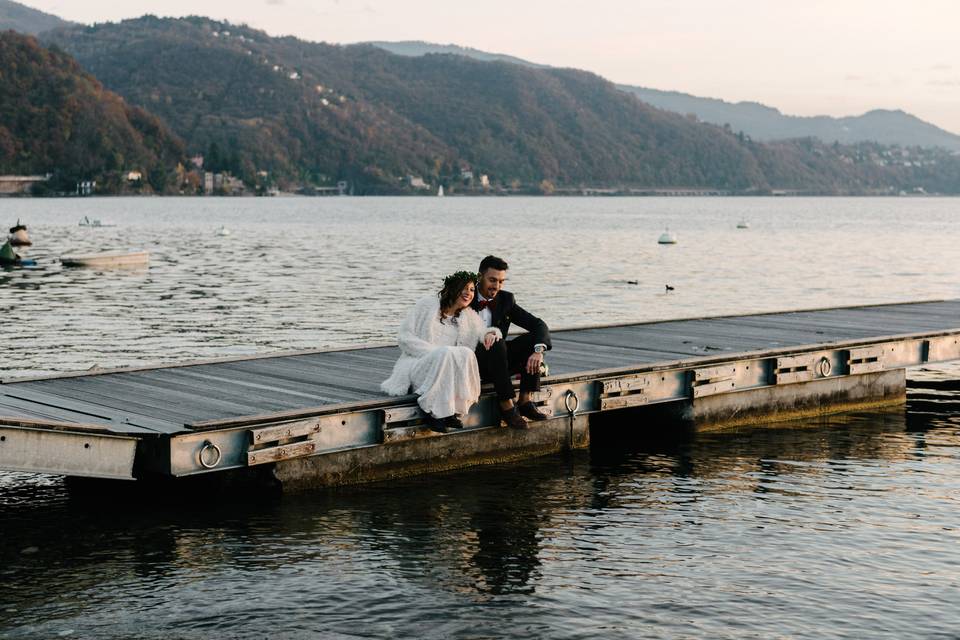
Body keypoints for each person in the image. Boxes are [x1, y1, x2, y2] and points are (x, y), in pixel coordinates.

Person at [381, 271, 502, 433]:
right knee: (445, 353)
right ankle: (432, 412)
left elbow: (483, 331)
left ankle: (452, 410)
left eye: (472, 290)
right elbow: (404, 337)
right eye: (464, 288)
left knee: (465, 353)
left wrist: (491, 333)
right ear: (452, 289)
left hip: (447, 371)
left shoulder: (469, 316)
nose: (469, 293)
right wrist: (434, 353)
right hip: (419, 367)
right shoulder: (426, 306)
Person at [471, 255, 551, 429]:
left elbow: (538, 324)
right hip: (473, 364)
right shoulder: (465, 296)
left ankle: (524, 401)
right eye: (492, 280)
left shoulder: (506, 300)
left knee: (532, 340)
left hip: (499, 363)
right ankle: (507, 406)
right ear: (479, 277)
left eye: (501, 281)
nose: (497, 286)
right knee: (497, 341)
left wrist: (538, 351)